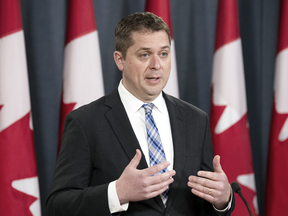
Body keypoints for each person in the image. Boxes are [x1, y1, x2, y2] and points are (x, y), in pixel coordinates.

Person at [46, 12, 234, 216]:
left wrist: (223, 200)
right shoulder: (86, 122)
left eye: (163, 54)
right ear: (120, 60)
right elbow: (58, 205)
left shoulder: (195, 119)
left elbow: (202, 205)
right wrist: (117, 193)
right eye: (144, 55)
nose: (156, 65)